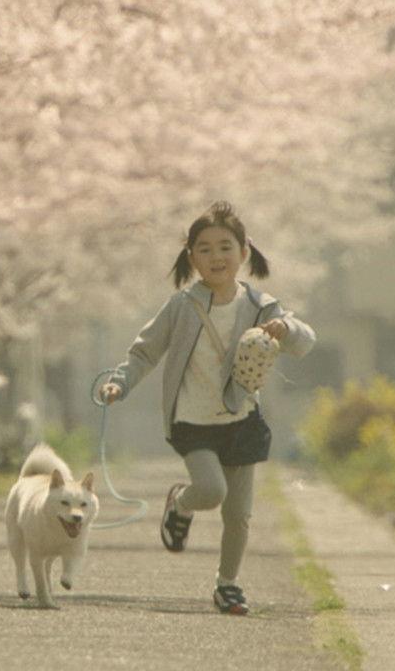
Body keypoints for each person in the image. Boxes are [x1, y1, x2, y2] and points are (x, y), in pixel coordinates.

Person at [98, 201, 315, 615]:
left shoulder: (260, 304)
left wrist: (285, 327)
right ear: (192, 257)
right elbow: (145, 352)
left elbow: (305, 341)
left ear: (243, 252)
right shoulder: (182, 306)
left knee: (239, 515)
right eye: (205, 248)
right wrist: (119, 384)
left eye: (225, 247)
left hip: (240, 418)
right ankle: (180, 503)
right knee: (211, 491)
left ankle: (228, 584)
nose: (216, 256)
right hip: (192, 421)